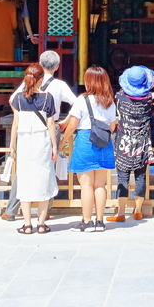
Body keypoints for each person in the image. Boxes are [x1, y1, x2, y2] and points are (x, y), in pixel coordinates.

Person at [4, 52, 76, 219]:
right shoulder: (59, 85)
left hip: (27, 130)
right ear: (57, 67)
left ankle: (11, 210)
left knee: (24, 170)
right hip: (50, 128)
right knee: (48, 169)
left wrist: (21, 115)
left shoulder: (27, 83)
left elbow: (12, 100)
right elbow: (76, 103)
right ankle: (44, 212)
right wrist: (66, 120)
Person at [8, 65, 60, 233]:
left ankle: (27, 224)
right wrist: (54, 146)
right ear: (41, 80)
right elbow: (51, 124)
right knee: (43, 178)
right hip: (42, 141)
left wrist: (12, 144)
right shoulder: (47, 98)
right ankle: (41, 223)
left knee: (25, 180)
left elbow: (15, 123)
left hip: (24, 141)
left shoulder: (18, 99)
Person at [65, 66, 117, 232]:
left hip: (85, 141)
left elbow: (72, 125)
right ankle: (100, 222)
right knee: (100, 185)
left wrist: (62, 141)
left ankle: (87, 222)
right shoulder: (109, 101)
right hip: (103, 142)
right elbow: (113, 126)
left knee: (86, 185)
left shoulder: (82, 99)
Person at [111, 66, 154, 222]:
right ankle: (138, 211)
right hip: (142, 140)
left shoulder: (119, 96)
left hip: (124, 140)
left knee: (122, 178)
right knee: (140, 177)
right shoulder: (149, 98)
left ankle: (120, 213)